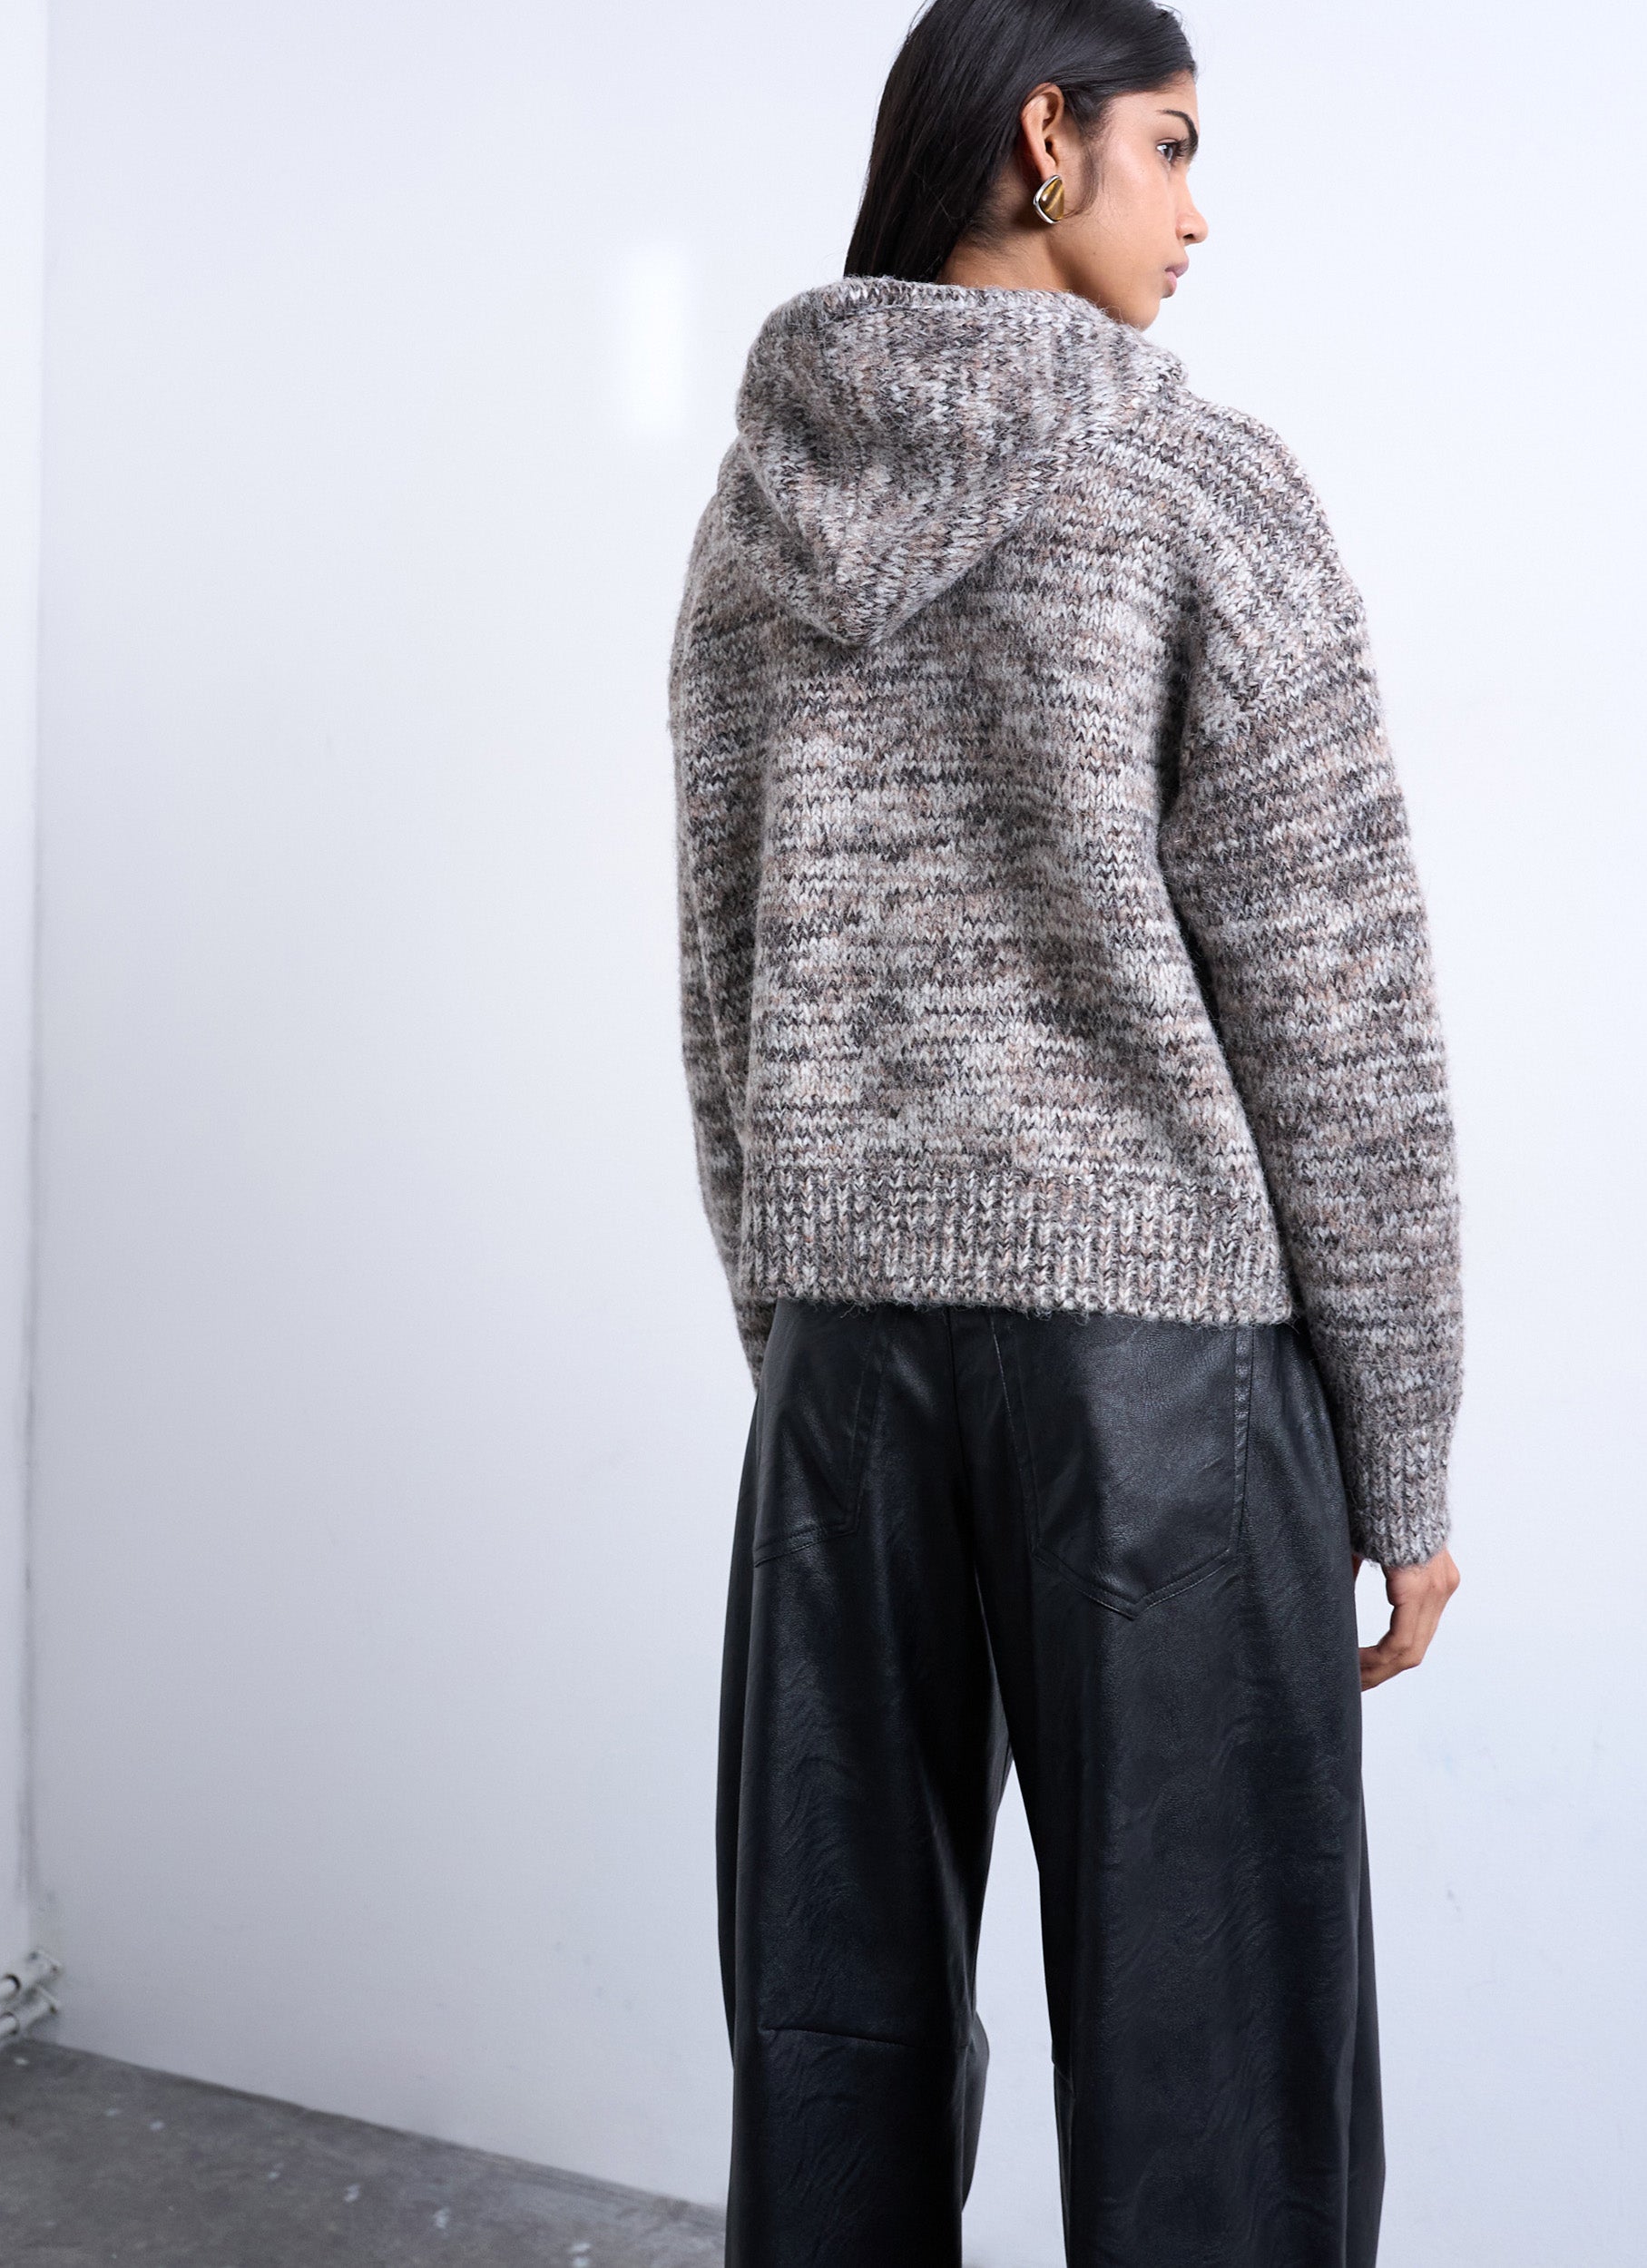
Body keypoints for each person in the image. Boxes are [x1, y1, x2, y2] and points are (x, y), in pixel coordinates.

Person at [668, 0, 1463, 2259]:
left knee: (831, 2022)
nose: (1195, 212)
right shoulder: (1195, 487)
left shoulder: (756, 508)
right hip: (1158, 1392)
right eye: (1170, 145)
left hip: (844, 1369)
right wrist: (1402, 1451)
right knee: (1208, 2056)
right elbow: (1336, 1006)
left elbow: (723, 972)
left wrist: (799, 1337)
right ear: (1045, 135)